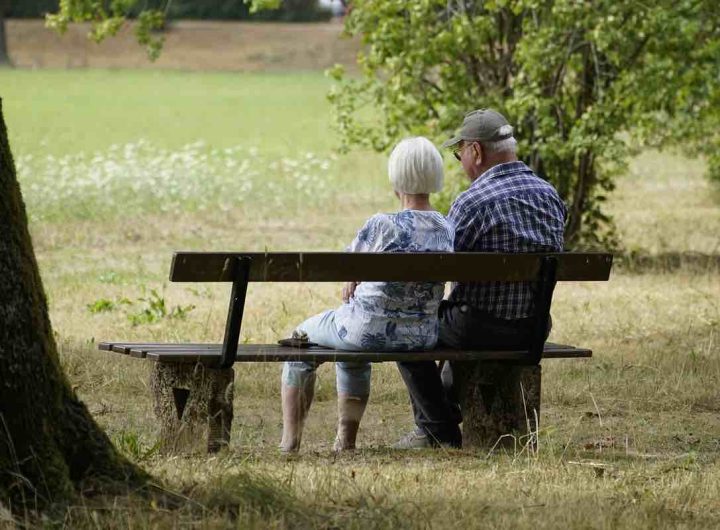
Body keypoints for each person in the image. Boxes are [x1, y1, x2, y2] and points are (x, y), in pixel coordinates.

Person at [394, 109, 567, 449]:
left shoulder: (472, 202)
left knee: (405, 327)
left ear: (475, 151)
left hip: (477, 327)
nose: (461, 162)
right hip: (532, 327)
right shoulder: (550, 196)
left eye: (460, 154)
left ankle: (436, 429)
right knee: (456, 319)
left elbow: (438, 268)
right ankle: (443, 416)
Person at [280, 136, 454, 453]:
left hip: (366, 331)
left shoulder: (381, 224)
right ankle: (344, 441)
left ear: (396, 177)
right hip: (420, 336)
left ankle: (290, 443)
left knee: (300, 338)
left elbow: (347, 267)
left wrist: (353, 277)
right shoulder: (446, 227)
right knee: (351, 344)